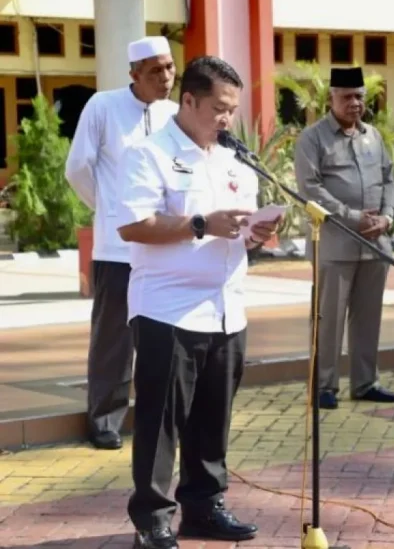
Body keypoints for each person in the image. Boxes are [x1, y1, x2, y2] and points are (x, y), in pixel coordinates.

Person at [115, 56, 269, 549]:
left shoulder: (235, 160)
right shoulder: (148, 154)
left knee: (212, 419)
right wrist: (201, 223)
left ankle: (204, 507)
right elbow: (133, 225)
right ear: (188, 100)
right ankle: (152, 518)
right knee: (162, 421)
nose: (227, 118)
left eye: (232, 110)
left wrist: (258, 233)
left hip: (227, 308)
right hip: (168, 310)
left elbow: (238, 234)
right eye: (219, 108)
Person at [64, 36, 178, 450]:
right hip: (117, 248)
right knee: (114, 337)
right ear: (133, 74)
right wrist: (110, 210)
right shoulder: (103, 106)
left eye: (169, 67)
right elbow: (77, 167)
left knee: (163, 333)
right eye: (155, 71)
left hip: (164, 243)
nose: (166, 77)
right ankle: (105, 420)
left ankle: (158, 415)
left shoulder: (176, 114)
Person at [294, 67, 394, 409]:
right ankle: (324, 386)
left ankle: (365, 382)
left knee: (368, 318)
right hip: (335, 244)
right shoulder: (313, 138)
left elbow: (388, 179)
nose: (355, 103)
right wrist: (354, 217)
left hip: (374, 244)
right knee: (328, 319)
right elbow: (310, 189)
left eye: (360, 96)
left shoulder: (373, 136)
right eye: (347, 97)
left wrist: (387, 216)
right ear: (331, 99)